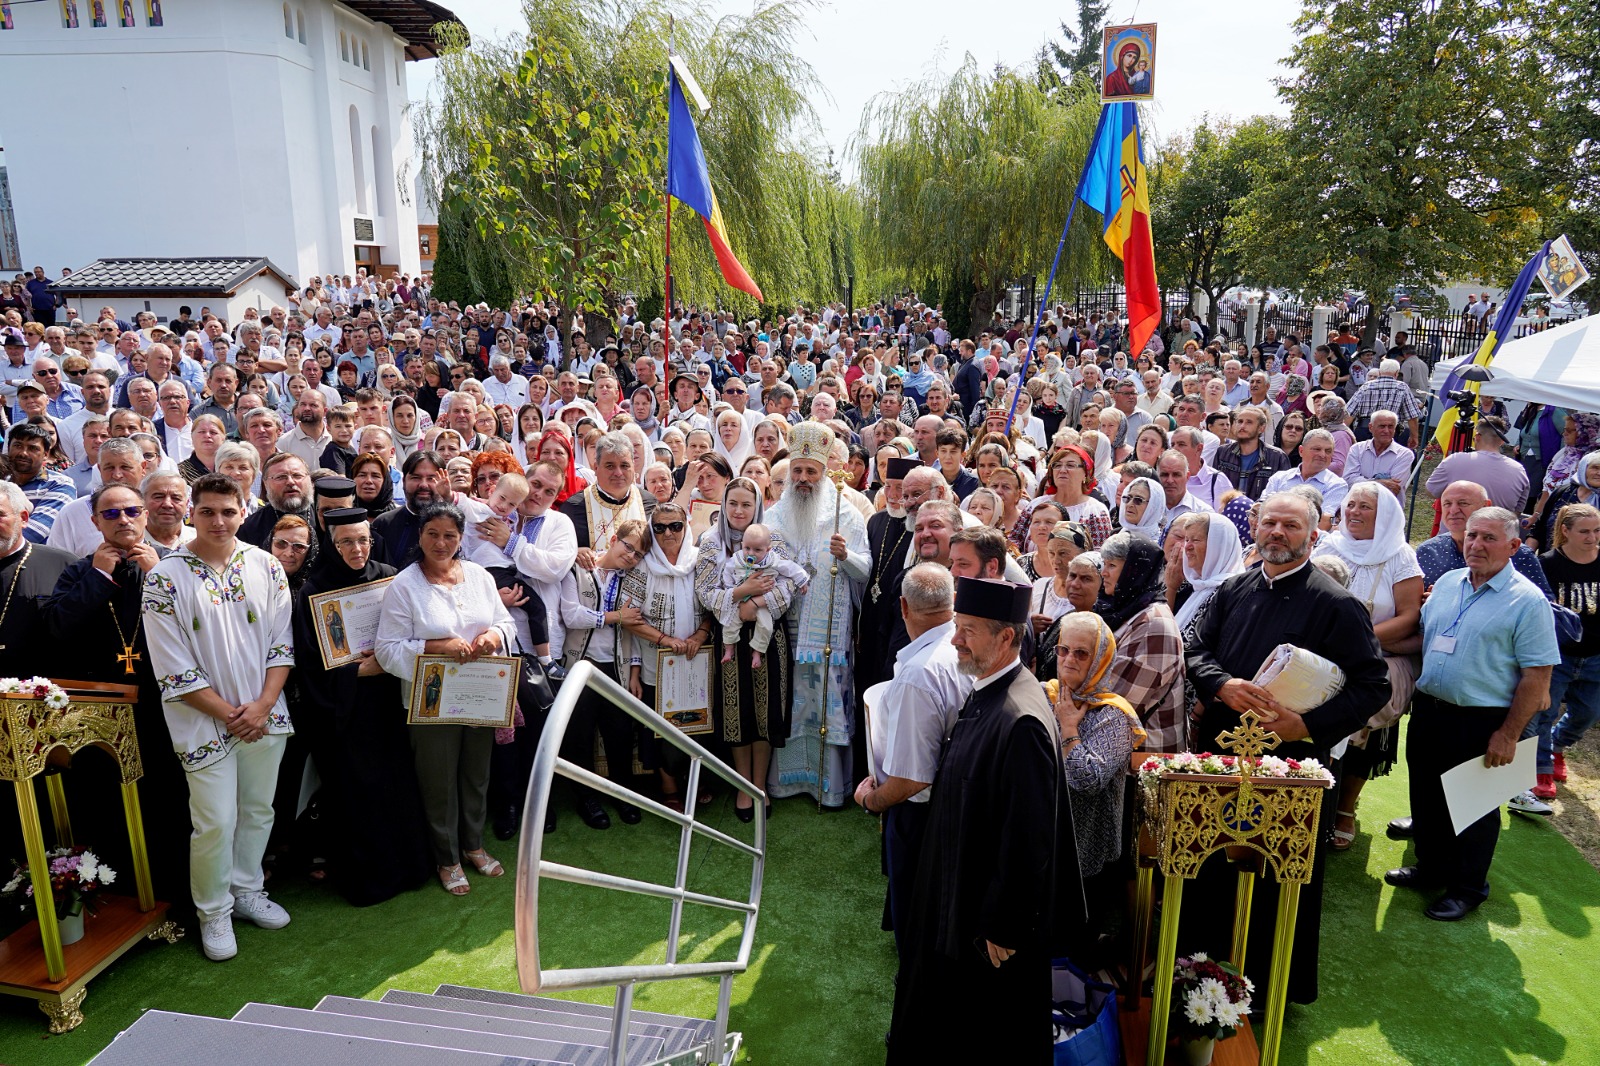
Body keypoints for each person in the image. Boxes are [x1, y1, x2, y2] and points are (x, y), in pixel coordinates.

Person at [1183, 492, 1390, 1001]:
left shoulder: (1337, 604)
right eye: (1270, 522)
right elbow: (1196, 650)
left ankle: (1270, 985)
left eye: (1291, 526)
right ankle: (1196, 971)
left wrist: (1309, 725)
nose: (1277, 532)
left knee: (1277, 875)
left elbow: (1374, 685)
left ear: (1312, 535)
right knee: (1210, 864)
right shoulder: (1232, 589)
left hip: (1288, 764)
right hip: (1223, 752)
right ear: (1256, 528)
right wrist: (1221, 684)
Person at [886, 577, 1077, 1064]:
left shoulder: (1020, 719)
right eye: (957, 627)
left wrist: (1004, 927)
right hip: (954, 902)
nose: (955, 639)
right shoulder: (988, 687)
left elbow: (1030, 840)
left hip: (984, 932)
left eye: (968, 630)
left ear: (1006, 637)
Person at [141, 473, 296, 962]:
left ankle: (247, 889)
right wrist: (234, 715)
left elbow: (282, 644)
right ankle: (214, 912)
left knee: (258, 809)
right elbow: (172, 668)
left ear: (243, 512)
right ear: (191, 512)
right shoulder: (164, 577)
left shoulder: (267, 566)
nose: (218, 520)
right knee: (215, 821)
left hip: (264, 712)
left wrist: (264, 704)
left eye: (228, 511)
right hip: (202, 719)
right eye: (207, 511)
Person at [1390, 507, 1558, 921]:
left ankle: (1467, 888)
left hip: (1485, 721)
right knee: (1426, 798)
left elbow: (1537, 676)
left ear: (1514, 546)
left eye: (1489, 538)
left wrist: (1509, 735)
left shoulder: (1528, 601)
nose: (1476, 545)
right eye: (1471, 536)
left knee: (1475, 810)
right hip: (1431, 711)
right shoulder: (1448, 583)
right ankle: (1431, 869)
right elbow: (1427, 639)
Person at [375, 502, 518, 896]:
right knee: (437, 780)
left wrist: (495, 637)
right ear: (420, 536)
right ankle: (446, 857)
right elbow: (387, 651)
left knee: (476, 773)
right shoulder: (404, 585)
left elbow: (505, 622)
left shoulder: (478, 576)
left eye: (450, 536)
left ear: (461, 539)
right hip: (431, 698)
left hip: (480, 692)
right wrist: (435, 646)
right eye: (432, 534)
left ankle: (473, 845)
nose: (441, 543)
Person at [291, 508, 431, 905]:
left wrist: (385, 663)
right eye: (347, 541)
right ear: (332, 545)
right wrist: (357, 675)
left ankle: (411, 869)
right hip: (345, 715)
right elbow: (310, 664)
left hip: (389, 705)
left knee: (398, 788)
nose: (357, 549)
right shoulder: (314, 590)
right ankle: (371, 881)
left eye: (364, 539)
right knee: (359, 795)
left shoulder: (388, 576)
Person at [854, 562, 967, 957]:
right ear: (953, 602)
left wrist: (872, 800)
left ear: (903, 607)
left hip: (919, 817)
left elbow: (912, 780)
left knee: (917, 929)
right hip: (953, 806)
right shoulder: (963, 643)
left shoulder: (920, 674)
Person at [1311, 483, 1423, 850]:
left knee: (1363, 739)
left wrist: (1358, 637)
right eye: (1351, 505)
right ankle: (1313, 799)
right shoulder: (1328, 544)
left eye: (1366, 507)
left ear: (1386, 514)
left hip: (1376, 659)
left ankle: (1345, 807)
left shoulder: (1400, 555)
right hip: (1324, 652)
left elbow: (1409, 617)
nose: (1355, 512)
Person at [767, 423, 870, 807]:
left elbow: (866, 571)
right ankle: (787, 783)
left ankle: (829, 790)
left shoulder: (847, 514)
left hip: (828, 634)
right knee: (788, 705)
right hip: (785, 631)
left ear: (825, 473)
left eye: (812, 471)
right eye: (798, 471)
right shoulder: (775, 516)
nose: (804, 479)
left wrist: (847, 557)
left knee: (826, 706)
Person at [1050, 612, 1144, 887]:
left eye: (1081, 654)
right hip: (1041, 839)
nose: (1069, 660)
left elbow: (1087, 781)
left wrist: (1069, 729)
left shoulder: (1114, 716)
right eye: (1064, 649)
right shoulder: (1045, 694)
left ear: (1101, 660)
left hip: (1085, 852)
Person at [1096, 531, 1187, 752]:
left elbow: (1118, 702)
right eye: (1103, 564)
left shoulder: (1153, 625)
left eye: (1112, 566)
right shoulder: (1122, 608)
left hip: (1146, 759)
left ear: (1133, 571)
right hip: (1120, 750)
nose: (1103, 573)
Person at [1533, 504, 1600, 799]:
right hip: (1557, 655)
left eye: (1597, 530)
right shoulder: (1547, 563)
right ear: (1565, 531)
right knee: (1543, 713)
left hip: (1596, 656)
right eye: (1584, 531)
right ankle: (1541, 768)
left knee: (1588, 712)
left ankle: (1558, 746)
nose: (1592, 537)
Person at [1425, 415, 1529, 512]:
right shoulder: (1519, 470)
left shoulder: (1454, 460)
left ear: (1477, 437)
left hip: (1455, 530)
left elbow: (1431, 491)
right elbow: (1517, 512)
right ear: (1502, 441)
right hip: (1496, 529)